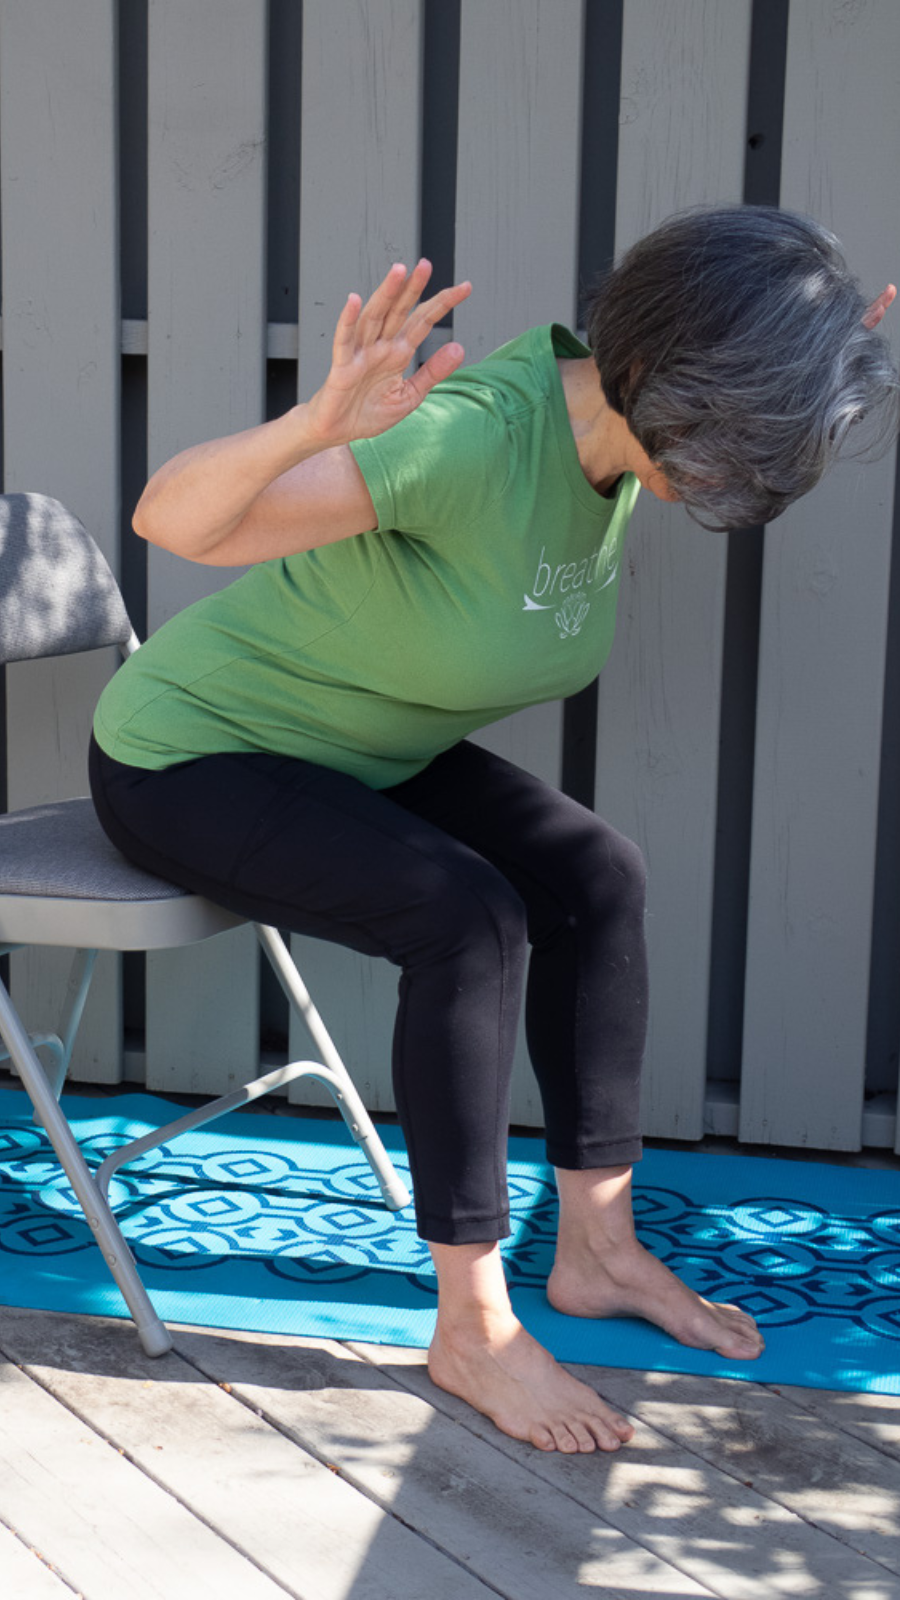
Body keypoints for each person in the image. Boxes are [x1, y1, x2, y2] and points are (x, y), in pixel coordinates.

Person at [90, 205, 899, 1455]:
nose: (753, 472)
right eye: (751, 431)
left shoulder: (624, 430)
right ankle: (471, 1325)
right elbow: (171, 520)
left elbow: (730, 336)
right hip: (194, 756)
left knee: (596, 876)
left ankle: (598, 1254)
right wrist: (318, 424)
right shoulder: (468, 438)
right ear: (676, 384)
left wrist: (813, 362)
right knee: (467, 921)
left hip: (362, 746)